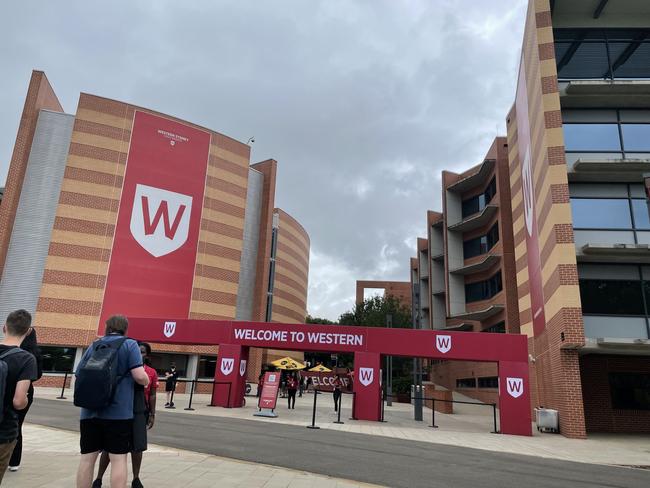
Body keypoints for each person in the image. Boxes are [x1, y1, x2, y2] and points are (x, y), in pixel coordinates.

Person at [75, 315, 149, 488]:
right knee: (118, 458)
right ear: (125, 328)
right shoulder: (130, 344)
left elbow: (79, 374)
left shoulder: (94, 345)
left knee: (87, 458)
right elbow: (139, 376)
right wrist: (146, 380)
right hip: (119, 414)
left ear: (107, 327)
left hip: (89, 411)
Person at [92, 342, 158, 488]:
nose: (140, 355)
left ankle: (136, 478)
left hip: (139, 410)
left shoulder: (151, 372)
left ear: (147, 355)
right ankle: (98, 478)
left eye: (143, 352)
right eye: (138, 352)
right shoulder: (125, 367)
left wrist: (152, 414)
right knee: (110, 447)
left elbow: (152, 394)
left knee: (137, 446)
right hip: (120, 409)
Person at [0, 310, 37, 483]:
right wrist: (27, 400)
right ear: (28, 331)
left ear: (4, 328)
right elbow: (19, 401)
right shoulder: (26, 359)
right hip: (4, 430)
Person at [8, 325, 42, 472]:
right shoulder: (35, 353)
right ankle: (14, 462)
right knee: (18, 425)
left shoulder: (15, 351)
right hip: (27, 391)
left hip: (9, 388)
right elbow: (38, 374)